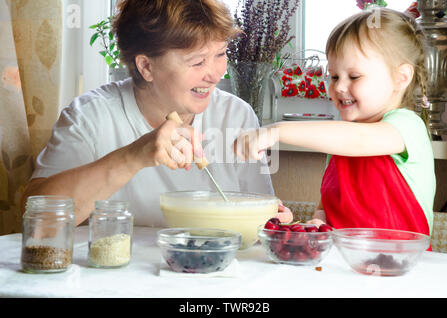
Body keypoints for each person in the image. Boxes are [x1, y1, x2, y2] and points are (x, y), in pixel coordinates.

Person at [22, 0, 292, 227]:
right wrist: (133, 156)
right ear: (146, 67)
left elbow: (262, 220)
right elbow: (36, 217)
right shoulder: (89, 117)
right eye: (197, 62)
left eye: (220, 54)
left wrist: (276, 223)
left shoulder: (236, 115)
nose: (216, 74)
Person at [233, 8, 436, 242]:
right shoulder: (340, 142)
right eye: (334, 76)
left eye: (354, 76)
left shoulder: (407, 126)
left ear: (401, 77)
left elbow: (361, 139)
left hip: (402, 269)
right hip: (347, 264)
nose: (338, 87)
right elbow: (326, 208)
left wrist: (276, 130)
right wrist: (318, 222)